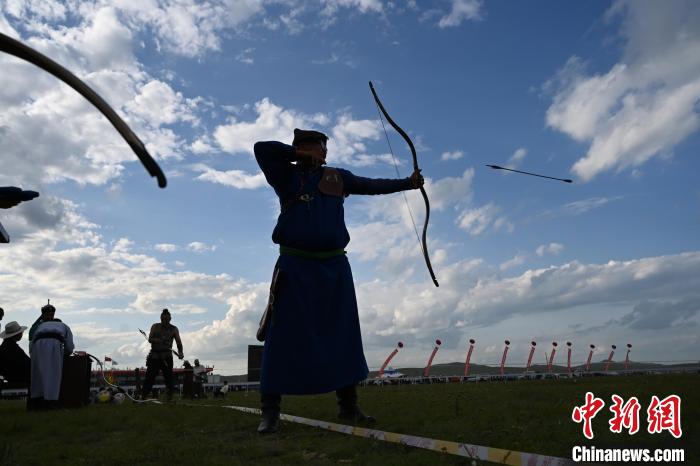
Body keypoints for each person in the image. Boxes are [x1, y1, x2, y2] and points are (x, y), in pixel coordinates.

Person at [253, 128, 425, 433]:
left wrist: (408, 184)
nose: (320, 154)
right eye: (314, 148)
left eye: (322, 150)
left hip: (334, 267)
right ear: (301, 149)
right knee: (281, 336)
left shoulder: (337, 177)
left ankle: (348, 407)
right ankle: (270, 412)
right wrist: (296, 156)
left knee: (341, 334)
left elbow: (371, 185)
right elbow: (261, 148)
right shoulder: (285, 175)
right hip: (294, 266)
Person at [29, 302, 74, 408]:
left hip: (37, 346)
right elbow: (69, 346)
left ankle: (37, 401)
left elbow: (32, 342)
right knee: (53, 374)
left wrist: (33, 356)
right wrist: (66, 355)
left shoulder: (40, 326)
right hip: (54, 344)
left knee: (38, 374)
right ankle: (51, 402)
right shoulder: (64, 326)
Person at [141, 308, 183, 401]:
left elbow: (179, 343)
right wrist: (159, 340)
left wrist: (180, 353)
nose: (165, 321)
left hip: (167, 356)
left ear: (170, 319)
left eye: (167, 319)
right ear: (161, 318)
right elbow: (150, 339)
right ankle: (143, 396)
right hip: (154, 356)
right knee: (149, 377)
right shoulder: (155, 326)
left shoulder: (174, 329)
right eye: (163, 319)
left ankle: (169, 397)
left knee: (168, 378)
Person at [0, 320, 31, 386]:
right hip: (20, 382)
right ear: (17, 334)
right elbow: (28, 364)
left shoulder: (3, 347)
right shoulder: (14, 349)